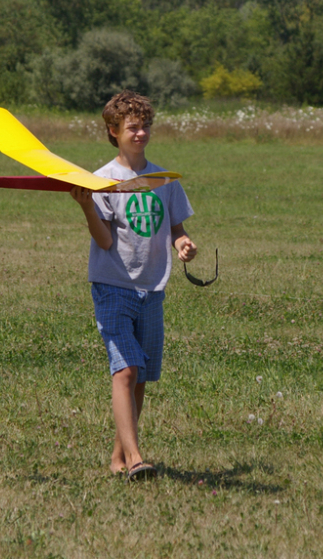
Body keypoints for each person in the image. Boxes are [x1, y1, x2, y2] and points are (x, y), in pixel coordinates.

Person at [70, 90, 197, 481]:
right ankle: (137, 459)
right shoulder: (102, 180)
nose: (140, 133)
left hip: (152, 287)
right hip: (113, 284)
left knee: (139, 375)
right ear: (113, 131)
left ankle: (119, 455)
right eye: (131, 128)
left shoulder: (163, 180)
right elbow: (105, 240)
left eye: (144, 127)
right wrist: (88, 205)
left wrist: (183, 244)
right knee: (125, 371)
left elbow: (175, 226)